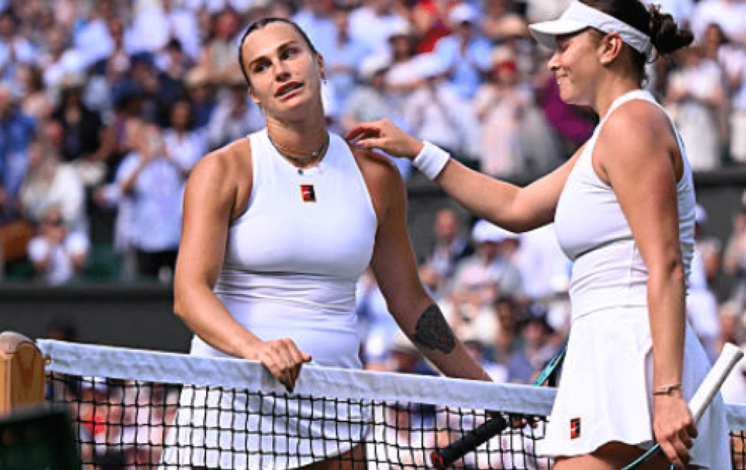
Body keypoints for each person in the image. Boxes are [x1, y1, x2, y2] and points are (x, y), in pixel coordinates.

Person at [346, 1, 729, 469]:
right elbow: (516, 206)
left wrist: (666, 391)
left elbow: (665, 265)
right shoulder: (613, 132)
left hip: (639, 361)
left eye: (565, 45)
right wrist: (418, 150)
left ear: (609, 48)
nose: (553, 60)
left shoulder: (632, 125)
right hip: (617, 355)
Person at [167, 17, 490, 470]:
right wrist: (256, 349)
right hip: (228, 410)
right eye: (261, 67)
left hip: (335, 416)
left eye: (289, 54)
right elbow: (189, 295)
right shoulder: (221, 171)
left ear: (319, 64)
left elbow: (411, 302)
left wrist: (487, 389)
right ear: (253, 94)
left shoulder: (378, 177)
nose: (279, 70)